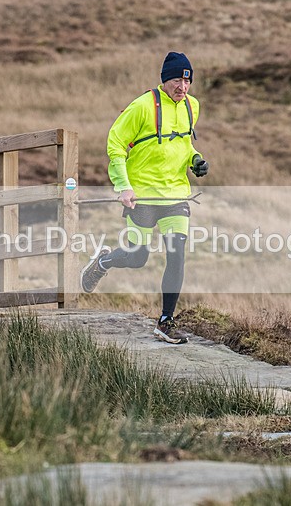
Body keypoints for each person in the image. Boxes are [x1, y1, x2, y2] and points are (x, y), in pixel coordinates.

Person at [80, 52, 209, 345]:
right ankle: (103, 262)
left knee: (176, 255)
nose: (183, 87)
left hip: (176, 194)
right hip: (143, 195)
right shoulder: (141, 107)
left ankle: (165, 322)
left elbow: (185, 145)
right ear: (165, 80)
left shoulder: (192, 107)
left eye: (187, 80)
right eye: (177, 80)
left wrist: (196, 160)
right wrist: (124, 186)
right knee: (138, 257)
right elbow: (115, 145)